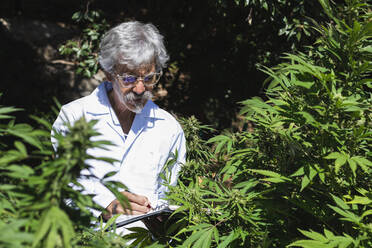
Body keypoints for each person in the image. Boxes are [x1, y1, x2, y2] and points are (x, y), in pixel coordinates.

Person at [52, 21, 186, 235]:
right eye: (129, 78)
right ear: (108, 72)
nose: (140, 88)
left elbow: (168, 194)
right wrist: (105, 204)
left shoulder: (169, 128)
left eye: (149, 78)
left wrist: (163, 217)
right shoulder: (75, 117)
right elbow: (65, 187)